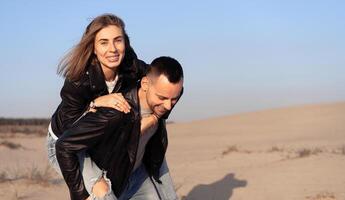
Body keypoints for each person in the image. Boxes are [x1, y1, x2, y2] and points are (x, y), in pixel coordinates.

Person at [56, 56, 184, 200]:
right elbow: (63, 145)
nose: (168, 106)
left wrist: (154, 118)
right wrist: (80, 195)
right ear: (145, 84)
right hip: (110, 180)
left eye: (174, 99)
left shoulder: (166, 98)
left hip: (137, 175)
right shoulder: (115, 113)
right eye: (162, 98)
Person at [47, 14, 149, 175]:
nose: (113, 49)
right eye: (104, 42)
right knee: (98, 192)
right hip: (65, 144)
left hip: (99, 140)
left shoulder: (131, 66)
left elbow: (160, 80)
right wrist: (95, 103)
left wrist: (153, 119)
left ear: (125, 43)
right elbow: (69, 130)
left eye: (118, 40)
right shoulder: (78, 80)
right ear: (93, 48)